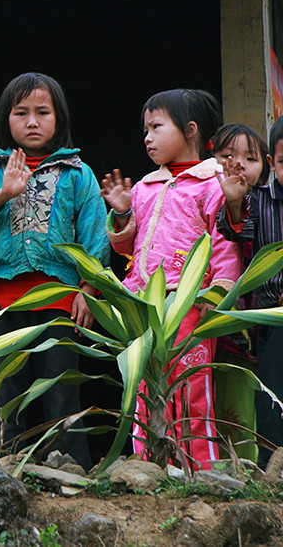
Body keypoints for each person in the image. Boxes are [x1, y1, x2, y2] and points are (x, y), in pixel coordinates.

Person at [0, 72, 106, 468]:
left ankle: (68, 468)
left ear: (59, 118)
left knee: (60, 387)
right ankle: (6, 469)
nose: (33, 122)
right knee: (9, 388)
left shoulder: (77, 172)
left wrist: (89, 288)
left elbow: (95, 231)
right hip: (3, 303)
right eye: (22, 113)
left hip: (58, 300)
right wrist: (2, 193)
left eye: (43, 112)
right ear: (6, 119)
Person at [103, 88, 240, 470]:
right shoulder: (145, 187)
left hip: (188, 304)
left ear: (190, 130)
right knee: (144, 385)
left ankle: (200, 469)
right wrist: (122, 214)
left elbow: (224, 243)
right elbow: (128, 247)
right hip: (143, 304)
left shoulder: (214, 183)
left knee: (191, 386)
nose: (147, 137)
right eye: (145, 129)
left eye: (156, 127)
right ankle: (146, 467)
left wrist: (218, 296)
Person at [217, 116, 283, 468]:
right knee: (266, 394)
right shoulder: (258, 202)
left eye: (249, 157)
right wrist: (233, 204)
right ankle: (268, 466)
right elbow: (238, 232)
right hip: (260, 319)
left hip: (267, 320)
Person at [209, 123, 269, 463]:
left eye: (250, 158)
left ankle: (246, 470)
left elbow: (247, 238)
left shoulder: (265, 204)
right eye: (226, 156)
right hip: (209, 318)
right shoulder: (201, 196)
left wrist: (236, 205)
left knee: (243, 399)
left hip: (248, 323)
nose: (239, 164)